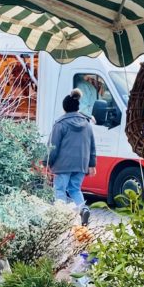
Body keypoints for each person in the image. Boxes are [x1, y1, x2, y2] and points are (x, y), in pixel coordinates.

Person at [47, 90, 96, 226]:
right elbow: (92, 145)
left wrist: (47, 162)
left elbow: (53, 146)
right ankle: (83, 208)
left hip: (63, 165)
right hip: (81, 164)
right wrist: (92, 164)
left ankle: (61, 218)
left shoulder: (60, 124)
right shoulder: (87, 124)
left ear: (64, 108)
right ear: (77, 107)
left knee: (60, 189)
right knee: (75, 189)